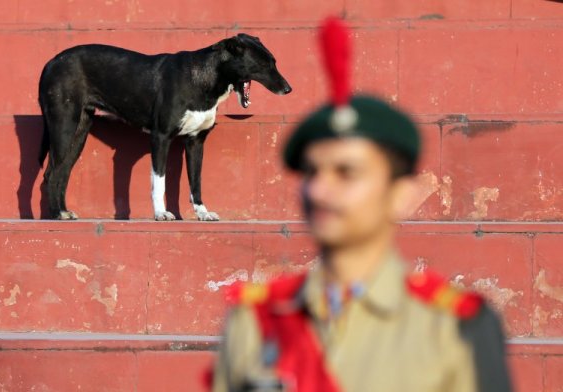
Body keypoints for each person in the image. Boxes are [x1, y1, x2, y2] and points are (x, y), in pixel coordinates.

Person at [208, 16, 512, 392]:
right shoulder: (255, 321)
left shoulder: (455, 325)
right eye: (312, 172)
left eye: (347, 173)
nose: (320, 190)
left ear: (401, 195)